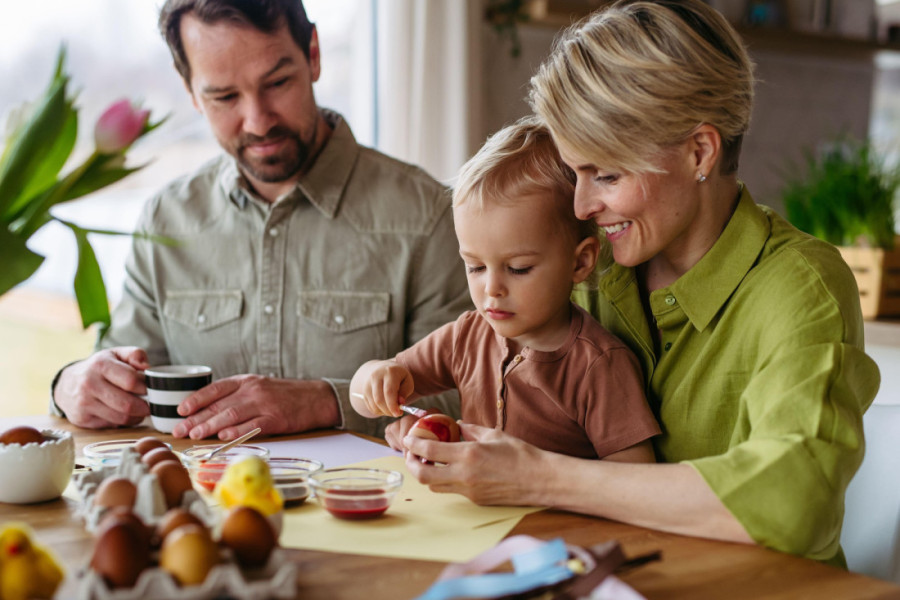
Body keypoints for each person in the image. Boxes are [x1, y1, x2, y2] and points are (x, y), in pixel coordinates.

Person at [399, 0, 880, 567]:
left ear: (700, 151)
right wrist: (444, 443)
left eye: (606, 174)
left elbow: (798, 502)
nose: (581, 204)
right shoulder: (588, 265)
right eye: (576, 173)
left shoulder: (800, 288)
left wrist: (541, 477)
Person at [50, 0, 470, 440]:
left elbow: (467, 395)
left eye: (277, 82)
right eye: (224, 96)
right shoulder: (165, 219)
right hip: (203, 506)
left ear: (313, 55)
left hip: (371, 502)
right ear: (190, 90)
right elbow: (120, 385)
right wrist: (70, 385)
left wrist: (324, 401)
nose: (258, 120)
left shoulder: (427, 214)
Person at [349, 118, 660, 462]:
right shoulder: (466, 337)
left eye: (518, 269)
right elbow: (360, 398)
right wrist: (375, 379)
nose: (492, 289)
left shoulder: (598, 366)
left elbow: (634, 475)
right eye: (475, 267)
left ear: (580, 262)